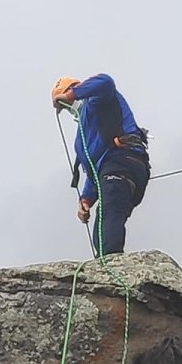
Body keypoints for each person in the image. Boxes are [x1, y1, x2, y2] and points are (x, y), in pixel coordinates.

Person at [51, 74, 150, 256]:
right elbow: (93, 173)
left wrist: (71, 95)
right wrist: (86, 199)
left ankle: (112, 263)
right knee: (102, 225)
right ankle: (106, 260)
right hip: (114, 170)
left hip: (123, 160)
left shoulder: (98, 100)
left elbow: (105, 82)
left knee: (110, 210)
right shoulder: (81, 141)